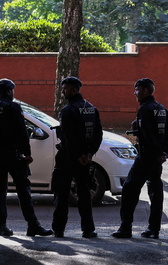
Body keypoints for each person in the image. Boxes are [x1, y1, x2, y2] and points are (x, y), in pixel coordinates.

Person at [0, 78, 52, 237]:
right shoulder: (13, 107)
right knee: (23, 189)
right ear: (9, 91)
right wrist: (27, 153)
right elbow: (22, 132)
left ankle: (1, 226)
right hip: (14, 154)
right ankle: (32, 225)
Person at [112, 78, 168, 239]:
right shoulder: (162, 108)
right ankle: (154, 229)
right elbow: (167, 133)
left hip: (146, 156)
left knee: (129, 189)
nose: (135, 93)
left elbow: (147, 134)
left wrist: (158, 152)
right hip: (157, 158)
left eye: (137, 90)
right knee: (155, 192)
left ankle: (125, 228)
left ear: (145, 91)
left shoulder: (145, 109)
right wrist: (165, 152)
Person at [50, 76, 103, 238]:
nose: (63, 91)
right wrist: (89, 154)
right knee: (84, 194)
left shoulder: (67, 111)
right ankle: (88, 229)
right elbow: (98, 134)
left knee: (62, 194)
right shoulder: (92, 109)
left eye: (65, 88)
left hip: (67, 158)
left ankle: (59, 229)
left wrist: (78, 155)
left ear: (74, 89)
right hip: (85, 159)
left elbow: (68, 137)